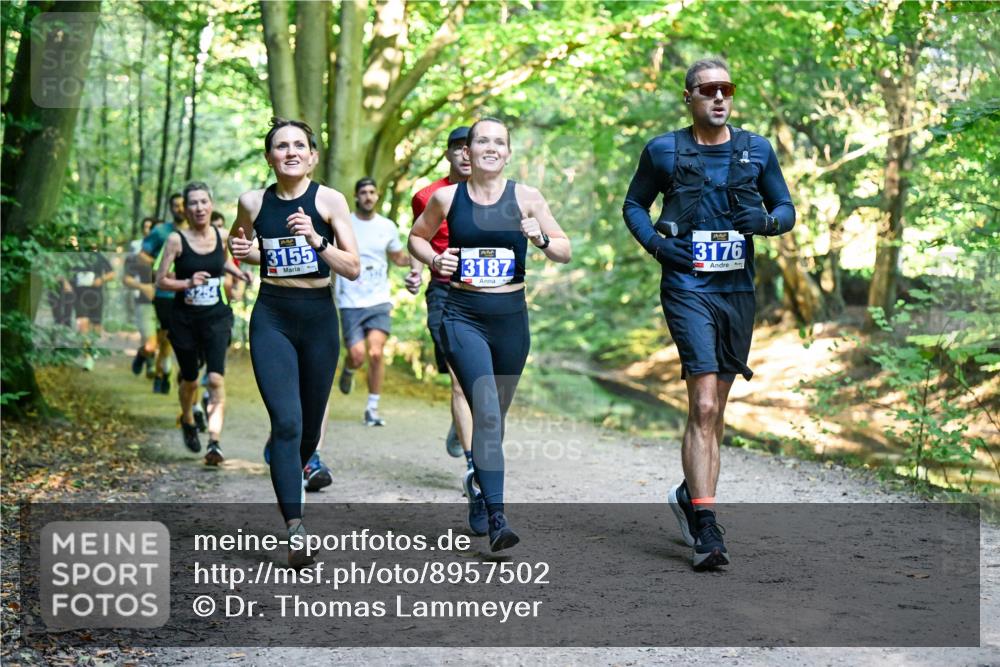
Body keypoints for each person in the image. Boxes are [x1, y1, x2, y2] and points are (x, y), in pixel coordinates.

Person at [622, 58, 796, 570]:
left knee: (715, 408)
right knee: (701, 405)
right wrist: (656, 245)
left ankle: (688, 494)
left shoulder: (757, 149)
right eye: (708, 90)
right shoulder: (663, 150)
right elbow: (634, 205)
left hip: (737, 289)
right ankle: (706, 528)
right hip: (686, 285)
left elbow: (786, 209)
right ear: (689, 97)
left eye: (726, 88)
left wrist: (766, 222)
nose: (719, 97)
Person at [408, 117, 571, 552]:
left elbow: (564, 250)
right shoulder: (446, 198)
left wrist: (541, 239)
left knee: (495, 416)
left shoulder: (527, 197)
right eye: (483, 141)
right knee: (485, 408)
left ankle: (479, 484)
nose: (491, 148)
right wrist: (435, 260)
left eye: (499, 141)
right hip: (463, 315)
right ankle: (498, 516)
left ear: (509, 152)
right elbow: (417, 238)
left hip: (511, 320)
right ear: (469, 150)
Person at [229, 117, 359, 568]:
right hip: (273, 317)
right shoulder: (252, 201)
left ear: (312, 156)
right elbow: (240, 244)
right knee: (286, 422)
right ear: (270, 157)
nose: (290, 152)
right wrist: (244, 254)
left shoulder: (330, 200)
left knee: (307, 431)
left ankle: (289, 461)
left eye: (299, 145)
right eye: (281, 146)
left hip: (319, 319)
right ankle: (296, 529)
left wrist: (317, 239)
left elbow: (352, 267)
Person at [156, 182, 249, 465]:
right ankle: (187, 418)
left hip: (216, 317)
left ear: (211, 205)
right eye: (193, 203)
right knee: (191, 380)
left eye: (203, 202)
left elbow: (221, 263)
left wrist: (239, 273)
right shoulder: (176, 240)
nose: (199, 208)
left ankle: (214, 443)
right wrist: (187, 283)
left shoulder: (222, 236)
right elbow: (160, 280)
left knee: (216, 378)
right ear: (186, 209)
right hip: (184, 319)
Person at [409, 126, 475, 468]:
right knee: (459, 377)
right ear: (448, 153)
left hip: (483, 293)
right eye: (458, 147)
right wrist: (416, 271)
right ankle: (473, 465)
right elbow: (418, 237)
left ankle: (462, 418)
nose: (465, 153)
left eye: (470, 146)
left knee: (474, 380)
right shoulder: (427, 196)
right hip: (444, 290)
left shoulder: (494, 195)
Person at [334, 177, 411, 427]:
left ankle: (372, 408)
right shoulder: (344, 224)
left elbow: (398, 257)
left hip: (379, 300)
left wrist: (424, 257)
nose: (368, 196)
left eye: (372, 192)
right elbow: (332, 257)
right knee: (357, 356)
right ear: (356, 196)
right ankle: (349, 369)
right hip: (350, 300)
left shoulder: (387, 226)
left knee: (376, 353)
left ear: (377, 196)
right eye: (363, 192)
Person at [141, 193, 188, 394]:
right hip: (165, 294)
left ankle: (177, 373)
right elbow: (143, 256)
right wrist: (162, 267)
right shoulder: (161, 231)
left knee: (183, 336)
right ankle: (163, 372)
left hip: (190, 292)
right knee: (167, 335)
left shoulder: (197, 230)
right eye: (175, 205)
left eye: (183, 204)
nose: (180, 209)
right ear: (170, 208)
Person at [124, 217, 160, 376]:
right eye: (147, 227)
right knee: (149, 339)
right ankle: (149, 361)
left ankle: (145, 357)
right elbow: (126, 279)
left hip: (168, 302)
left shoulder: (173, 249)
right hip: (144, 301)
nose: (149, 231)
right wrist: (144, 287)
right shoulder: (136, 255)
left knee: (162, 339)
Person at [71, 244, 115, 371]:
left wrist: (101, 279)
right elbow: (65, 273)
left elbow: (112, 273)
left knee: (96, 327)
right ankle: (88, 356)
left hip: (96, 296)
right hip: (79, 297)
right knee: (83, 324)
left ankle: (93, 348)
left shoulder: (98, 257)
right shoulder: (75, 258)